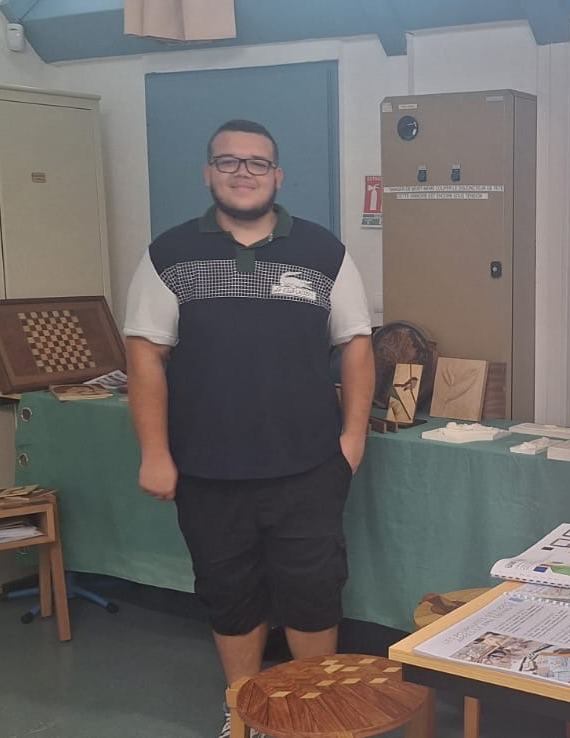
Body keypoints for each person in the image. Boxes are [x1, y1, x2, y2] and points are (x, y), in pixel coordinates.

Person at [123, 119, 374, 737]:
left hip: (309, 465)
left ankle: (310, 709)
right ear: (208, 173)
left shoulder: (323, 252)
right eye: (228, 161)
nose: (243, 172)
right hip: (207, 468)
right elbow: (145, 353)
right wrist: (155, 453)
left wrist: (352, 441)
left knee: (313, 591)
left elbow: (357, 344)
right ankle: (244, 711)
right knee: (228, 592)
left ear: (277, 175)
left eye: (257, 162)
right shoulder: (168, 254)